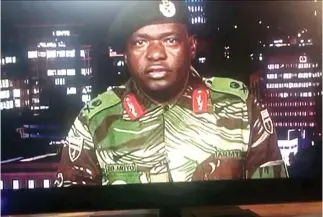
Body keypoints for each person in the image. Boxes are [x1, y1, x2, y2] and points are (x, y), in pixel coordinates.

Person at [54, 0, 287, 187]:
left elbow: (276, 203)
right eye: (140, 43)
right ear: (126, 54)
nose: (156, 54)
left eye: (170, 40)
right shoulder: (95, 119)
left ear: (192, 46)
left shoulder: (240, 106)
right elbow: (71, 208)